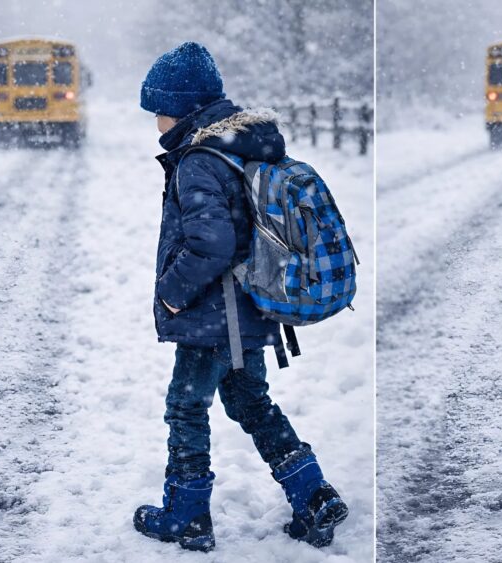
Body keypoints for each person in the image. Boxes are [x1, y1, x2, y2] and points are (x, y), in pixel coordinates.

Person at [131, 42, 348, 552]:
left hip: (214, 313)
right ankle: (313, 494)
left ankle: (187, 515)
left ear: (181, 108)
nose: (155, 122)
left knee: (186, 407)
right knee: (250, 400)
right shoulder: (239, 144)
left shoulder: (198, 161)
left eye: (158, 111)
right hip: (249, 307)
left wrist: (172, 293)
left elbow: (212, 243)